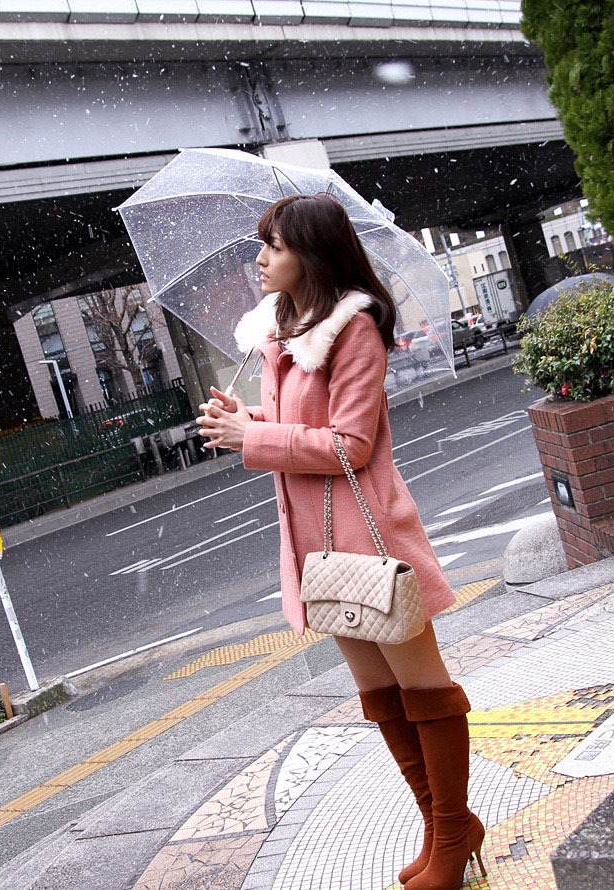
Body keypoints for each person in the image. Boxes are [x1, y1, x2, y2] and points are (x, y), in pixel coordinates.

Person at [196, 193, 486, 889]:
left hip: (369, 539)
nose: (261, 260)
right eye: (262, 244)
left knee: (424, 688)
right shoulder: (282, 334)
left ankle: (452, 832)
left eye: (275, 246)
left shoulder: (352, 329)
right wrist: (252, 416)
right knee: (380, 694)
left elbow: (350, 443)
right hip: (318, 548)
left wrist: (253, 437)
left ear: (312, 255)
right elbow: (304, 423)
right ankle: (442, 825)